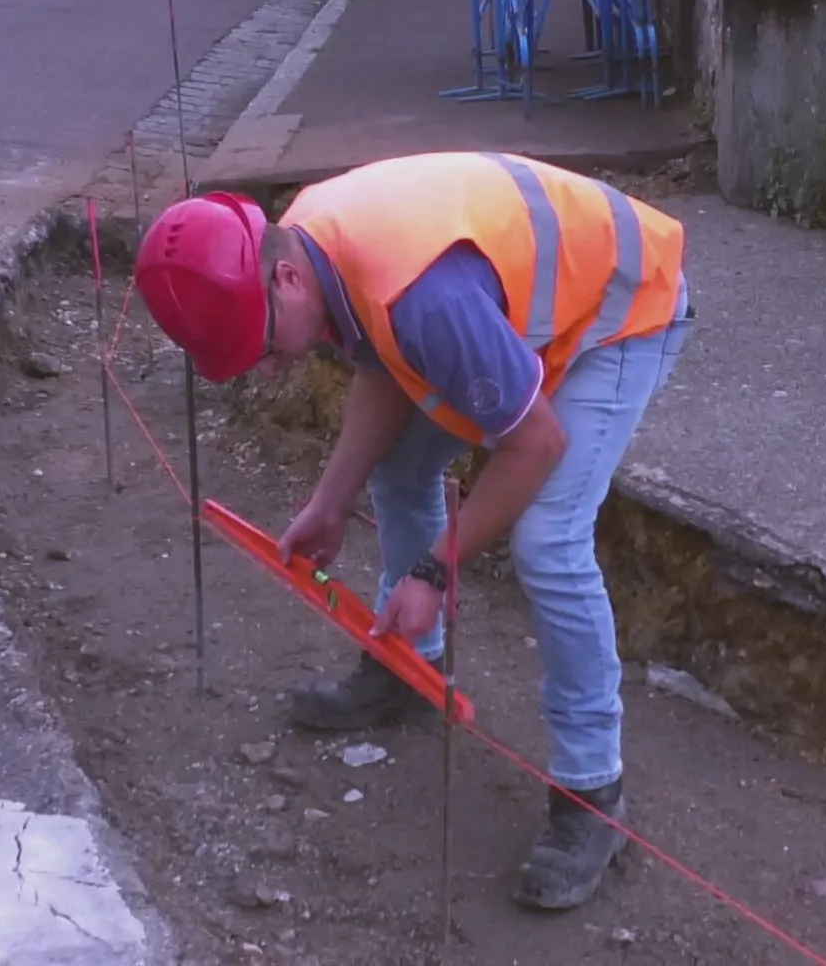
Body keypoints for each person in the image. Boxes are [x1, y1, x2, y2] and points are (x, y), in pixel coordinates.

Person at [132, 150, 693, 911]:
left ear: (285, 281)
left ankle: (592, 793)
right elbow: (383, 365)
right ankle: (409, 673)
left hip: (623, 308)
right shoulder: (307, 239)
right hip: (509, 300)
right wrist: (332, 499)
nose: (267, 371)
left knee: (550, 543)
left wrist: (434, 572)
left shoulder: (423, 297)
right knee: (399, 474)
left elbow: (537, 442)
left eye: (261, 348)